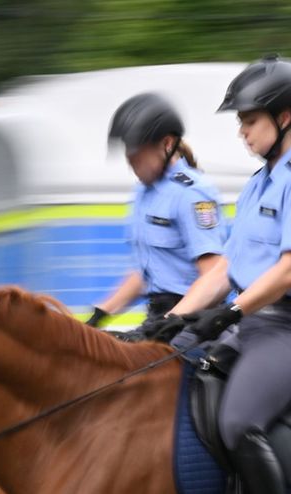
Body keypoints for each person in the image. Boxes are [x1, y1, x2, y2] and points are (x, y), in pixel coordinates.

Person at [156, 54, 291, 494]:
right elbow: (224, 271)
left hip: (289, 330)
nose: (242, 131)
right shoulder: (258, 184)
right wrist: (171, 322)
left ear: (285, 117)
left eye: (250, 121)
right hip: (248, 323)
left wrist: (231, 312)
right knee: (166, 363)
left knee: (238, 422)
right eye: (241, 122)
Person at [90, 93, 228, 339]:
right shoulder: (143, 193)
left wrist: (169, 321)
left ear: (167, 143)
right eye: (127, 149)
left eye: (137, 149)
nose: (130, 158)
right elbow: (146, 273)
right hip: (158, 318)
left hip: (192, 322)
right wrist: (99, 315)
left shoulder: (192, 194)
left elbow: (214, 275)